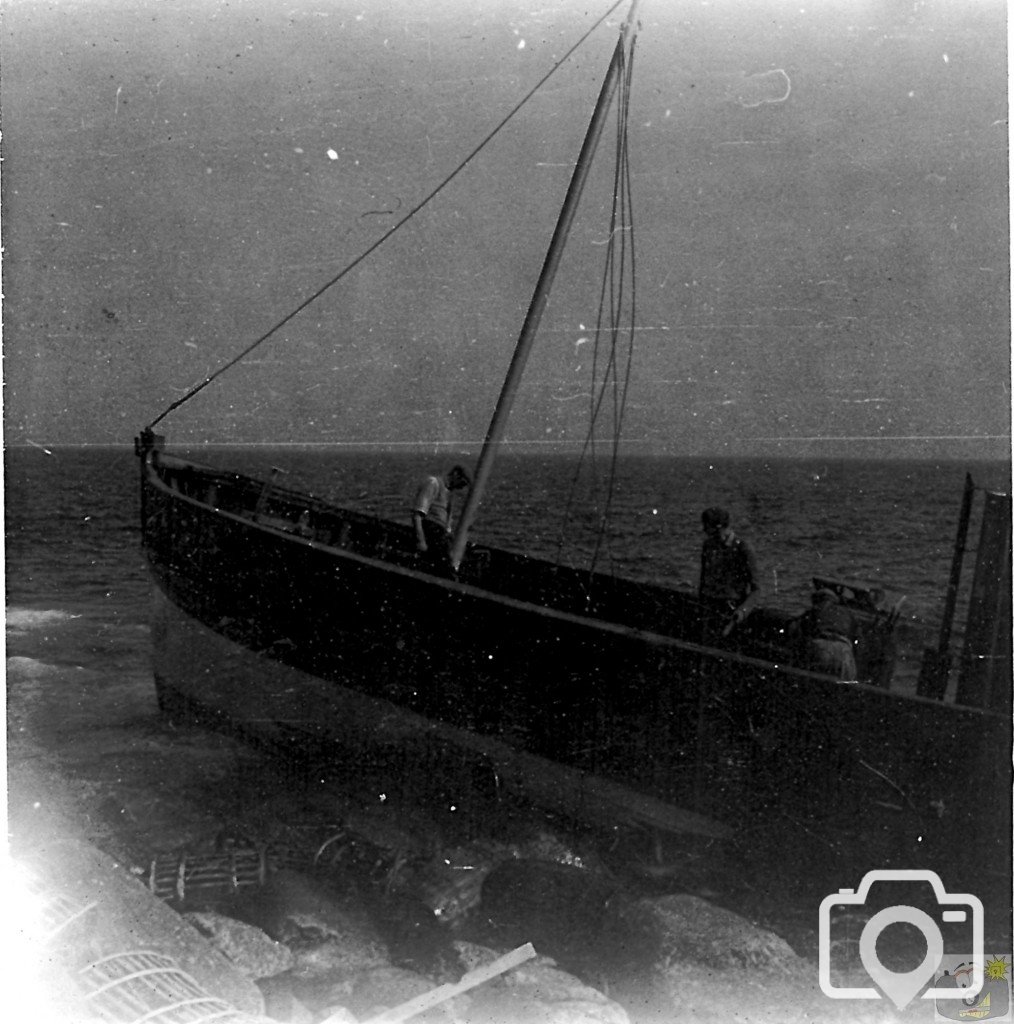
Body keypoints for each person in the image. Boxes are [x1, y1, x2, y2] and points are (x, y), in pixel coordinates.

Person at [698, 506, 760, 641]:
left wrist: (742, 612)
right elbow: (702, 582)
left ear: (719, 527)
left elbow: (756, 590)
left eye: (707, 527)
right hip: (708, 611)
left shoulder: (743, 549)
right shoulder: (707, 546)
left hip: (731, 614)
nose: (704, 530)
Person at [412, 465, 471, 570]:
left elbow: (448, 523)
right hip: (431, 529)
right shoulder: (433, 484)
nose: (461, 488)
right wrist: (421, 540)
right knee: (443, 559)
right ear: (455, 474)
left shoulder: (449, 495)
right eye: (462, 483)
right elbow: (418, 515)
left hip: (441, 532)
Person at [795, 588, 858, 680]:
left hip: (821, 647)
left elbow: (799, 631)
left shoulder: (815, 610)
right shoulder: (848, 613)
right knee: (847, 685)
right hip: (845, 651)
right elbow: (858, 637)